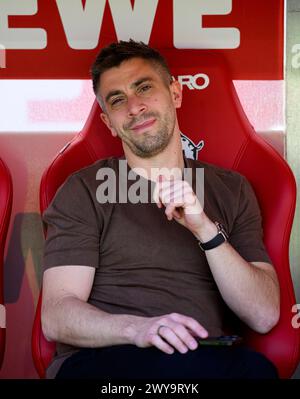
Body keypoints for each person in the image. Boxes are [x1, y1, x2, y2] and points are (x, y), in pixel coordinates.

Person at [41, 40, 280, 379]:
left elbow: (264, 314)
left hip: (205, 362)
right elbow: (56, 316)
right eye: (118, 100)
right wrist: (139, 330)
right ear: (109, 123)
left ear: (176, 93)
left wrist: (205, 231)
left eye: (144, 88)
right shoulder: (84, 190)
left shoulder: (232, 189)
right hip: (109, 361)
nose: (135, 107)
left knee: (256, 372)